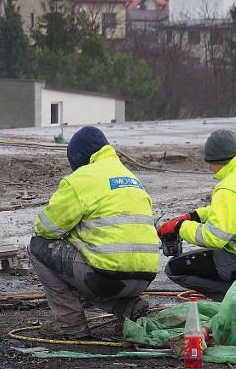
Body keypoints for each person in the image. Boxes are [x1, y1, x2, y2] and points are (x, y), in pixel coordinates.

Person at [27, 126, 160, 338]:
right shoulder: (131, 177)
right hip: (145, 277)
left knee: (37, 247)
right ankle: (125, 307)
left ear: (77, 158)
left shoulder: (81, 179)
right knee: (94, 257)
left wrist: (72, 235)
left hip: (107, 279)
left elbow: (46, 228)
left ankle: (69, 321)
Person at [158, 129, 236, 301]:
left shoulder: (229, 187)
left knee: (174, 269)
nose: (209, 167)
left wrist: (180, 227)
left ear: (218, 161)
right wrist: (194, 216)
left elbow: (214, 237)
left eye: (209, 162)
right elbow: (234, 209)